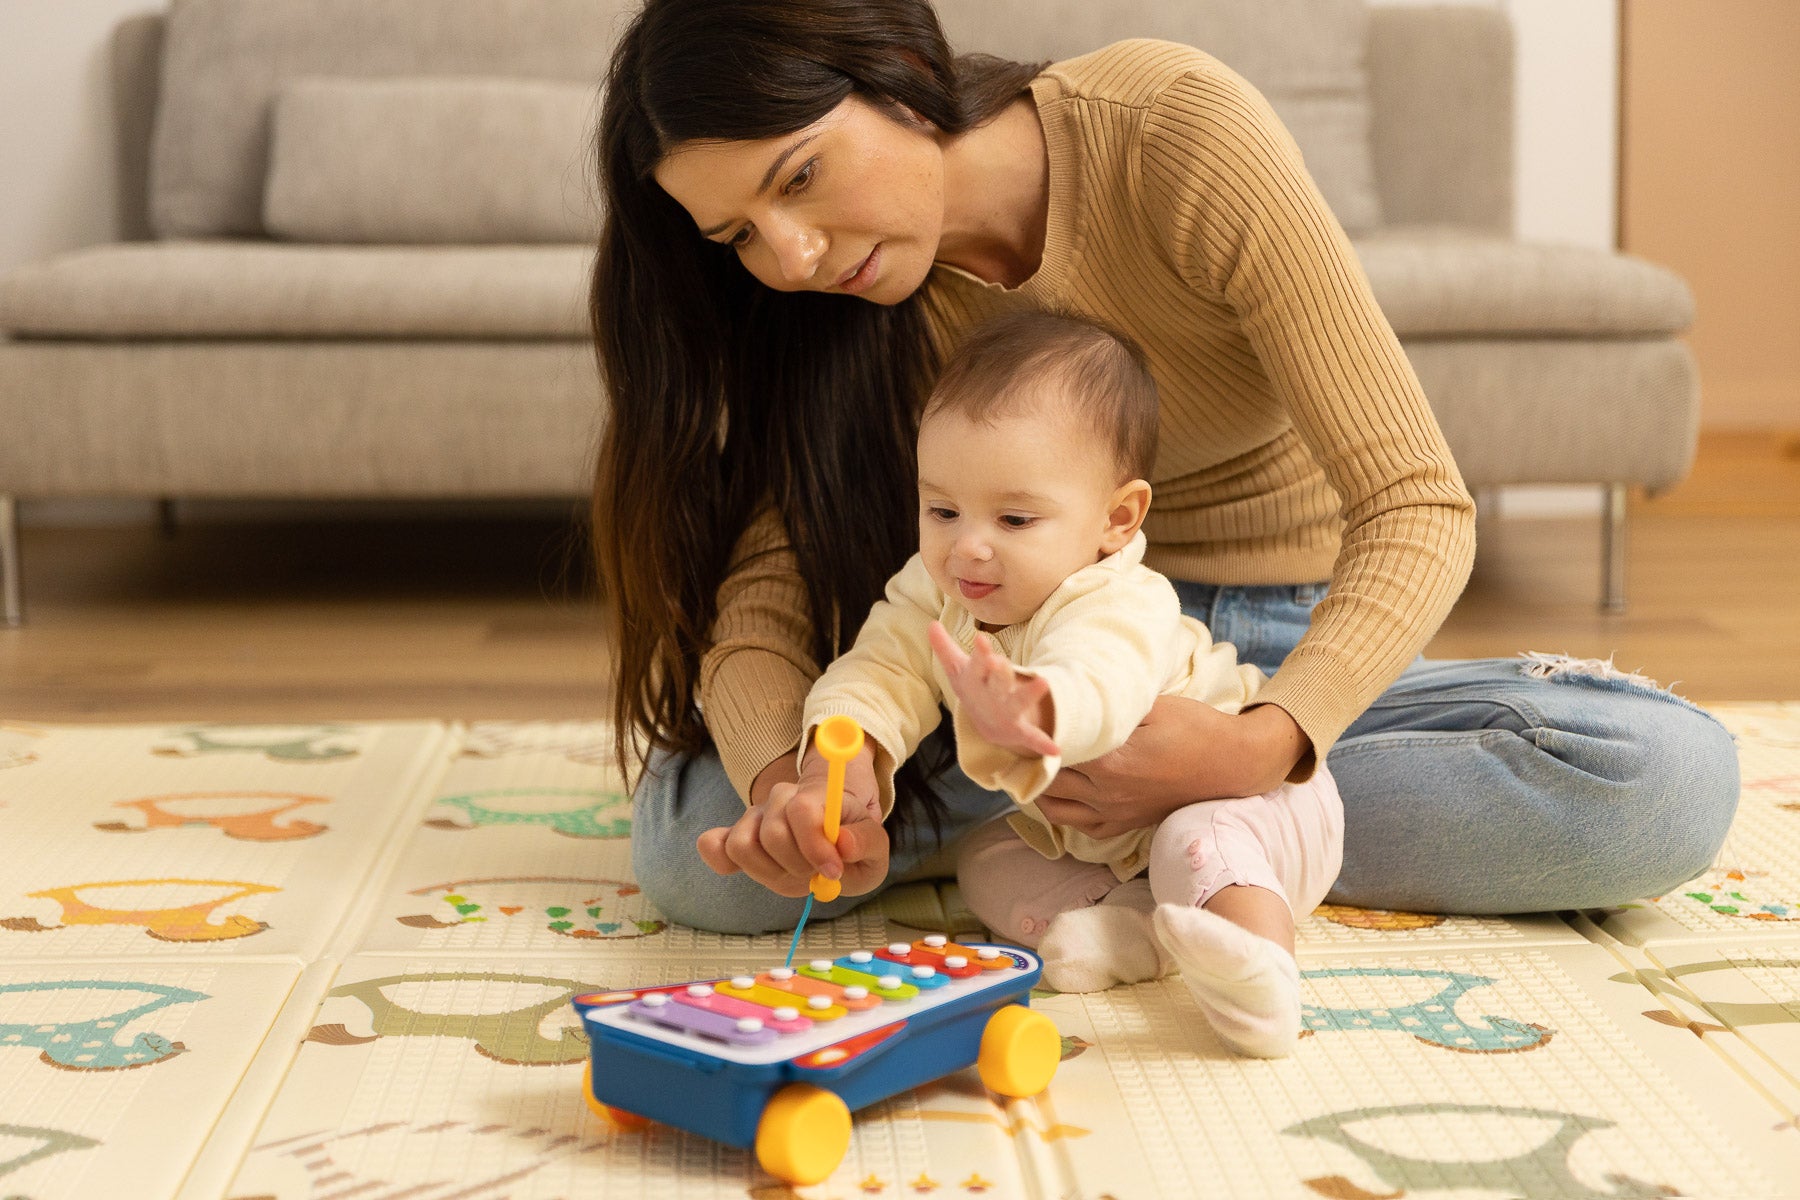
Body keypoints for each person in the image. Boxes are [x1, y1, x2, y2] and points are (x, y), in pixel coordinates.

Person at [590, 0, 1738, 947]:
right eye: (735, 234)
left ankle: (1126, 835)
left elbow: (1416, 504)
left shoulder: (1169, 134)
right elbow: (764, 603)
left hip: (1259, 650)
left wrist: (1260, 743)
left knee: (1663, 783)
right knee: (704, 853)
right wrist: (801, 784)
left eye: (798, 179)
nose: (786, 258)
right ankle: (1217, 842)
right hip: (1025, 672)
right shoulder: (833, 312)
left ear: (897, 70)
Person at [783, 308, 1343, 1056]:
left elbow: (1098, 679)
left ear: (1116, 519)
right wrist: (843, 758)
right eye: (942, 509)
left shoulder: (1120, 598)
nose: (967, 547)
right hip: (1103, 840)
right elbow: (882, 666)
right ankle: (1138, 931)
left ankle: (1265, 977)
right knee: (988, 863)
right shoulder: (935, 589)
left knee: (1195, 841)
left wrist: (1037, 706)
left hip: (1256, 804)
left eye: (1015, 519)